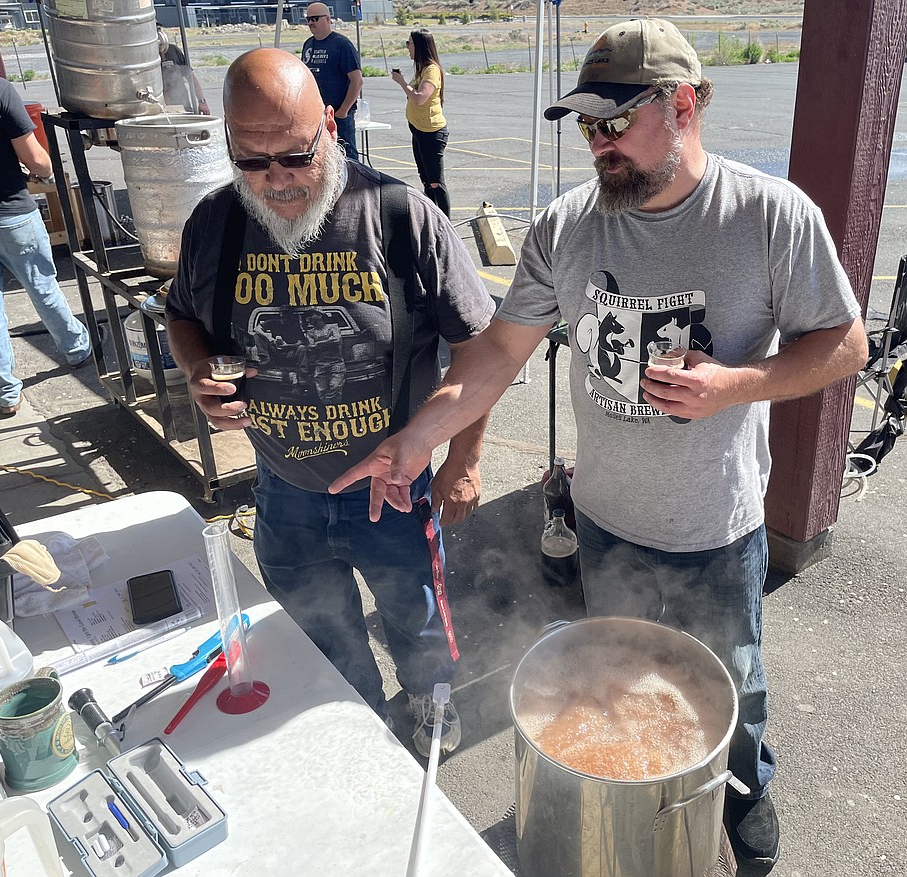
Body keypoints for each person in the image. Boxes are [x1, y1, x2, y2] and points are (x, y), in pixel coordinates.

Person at [332, 18, 867, 875]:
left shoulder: (769, 216)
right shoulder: (568, 226)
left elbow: (844, 345)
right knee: (616, 682)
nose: (597, 144)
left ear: (683, 104)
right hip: (607, 518)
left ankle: (744, 790)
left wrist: (736, 384)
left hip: (716, 524)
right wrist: (414, 444)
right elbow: (499, 352)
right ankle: (634, 807)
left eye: (614, 123)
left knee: (735, 683)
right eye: (585, 126)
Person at [164, 48, 495, 756]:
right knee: (324, 630)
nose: (276, 180)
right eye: (253, 162)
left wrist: (463, 460)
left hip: (395, 491)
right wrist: (196, 369)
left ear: (331, 131)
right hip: (283, 491)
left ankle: (432, 706)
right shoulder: (215, 225)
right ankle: (361, 725)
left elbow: (479, 347)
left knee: (417, 618)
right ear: (228, 146)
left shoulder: (401, 218)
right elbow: (180, 314)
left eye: (294, 155)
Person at [0, 2, 92, 417]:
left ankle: (4, 392)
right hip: (9, 212)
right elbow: (39, 162)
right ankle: (77, 350)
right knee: (42, 287)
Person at [391, 29, 450, 217]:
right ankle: (432, 219)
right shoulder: (422, 69)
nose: (407, 47)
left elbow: (419, 98)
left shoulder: (432, 70)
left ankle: (445, 223)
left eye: (410, 43)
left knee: (435, 182)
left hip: (431, 133)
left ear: (420, 46)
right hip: (419, 131)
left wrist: (401, 82)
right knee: (426, 180)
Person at [301, 2, 361, 163]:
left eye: (315, 18)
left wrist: (344, 110)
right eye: (308, 19)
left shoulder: (342, 44)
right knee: (321, 158)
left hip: (339, 114)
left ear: (327, 19)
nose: (311, 23)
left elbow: (357, 80)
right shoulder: (308, 44)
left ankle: (354, 188)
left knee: (347, 157)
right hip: (317, 114)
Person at [157, 24, 210, 115]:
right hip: (162, 111)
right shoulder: (146, 58)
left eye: (159, 29)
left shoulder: (173, 51)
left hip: (183, 106)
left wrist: (202, 102)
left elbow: (191, 78)